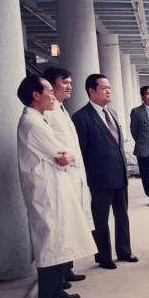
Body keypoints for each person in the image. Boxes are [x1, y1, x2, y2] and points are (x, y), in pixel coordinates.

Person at [16, 75, 97, 298]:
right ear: (36, 95)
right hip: (45, 193)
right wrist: (68, 156)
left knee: (58, 241)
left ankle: (56, 292)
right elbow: (61, 155)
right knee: (50, 244)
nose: (53, 95)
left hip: (54, 190)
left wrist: (68, 156)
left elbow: (66, 155)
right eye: (49, 91)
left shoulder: (38, 120)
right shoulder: (31, 124)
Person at [72, 74, 139, 270]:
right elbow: (82, 152)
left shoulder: (112, 112)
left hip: (119, 174)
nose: (109, 91)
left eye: (110, 87)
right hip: (99, 178)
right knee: (100, 219)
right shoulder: (81, 117)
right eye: (104, 88)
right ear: (91, 91)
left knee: (122, 215)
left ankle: (124, 251)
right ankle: (103, 257)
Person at [42, 67, 89, 286]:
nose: (70, 86)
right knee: (61, 228)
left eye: (71, 82)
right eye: (65, 82)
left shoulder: (61, 109)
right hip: (61, 177)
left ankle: (67, 268)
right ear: (51, 85)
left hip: (72, 176)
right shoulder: (47, 113)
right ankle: (61, 274)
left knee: (71, 226)